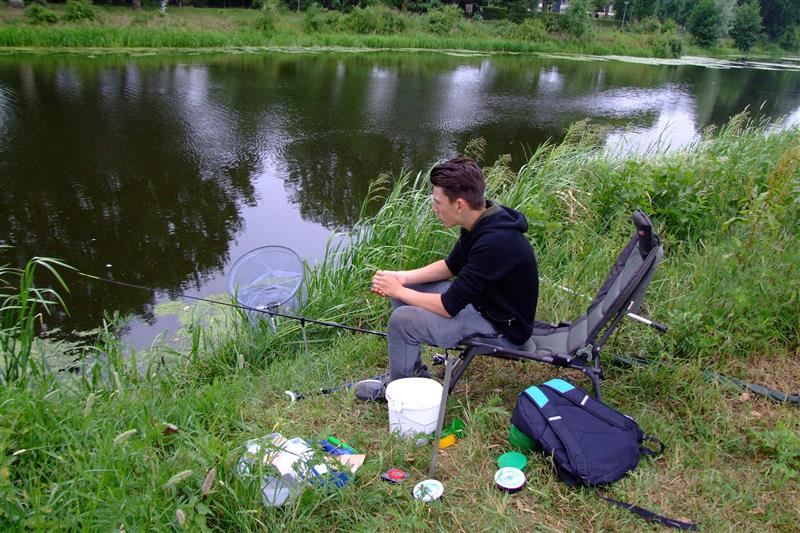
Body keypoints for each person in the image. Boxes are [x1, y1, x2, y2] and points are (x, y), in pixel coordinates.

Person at [355, 157, 539, 401]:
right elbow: (451, 266)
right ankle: (412, 375)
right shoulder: (482, 219)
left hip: (502, 329)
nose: (434, 208)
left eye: (437, 202)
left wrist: (397, 290)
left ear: (459, 204)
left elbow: (448, 306)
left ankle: (400, 393)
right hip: (486, 305)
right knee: (408, 289)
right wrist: (401, 278)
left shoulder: (495, 242)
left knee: (402, 320)